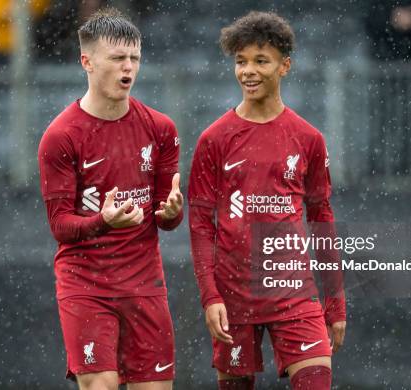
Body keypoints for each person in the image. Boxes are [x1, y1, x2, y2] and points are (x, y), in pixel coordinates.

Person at [188, 11, 346, 390]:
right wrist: (210, 296)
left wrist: (335, 302)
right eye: (241, 62)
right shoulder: (214, 139)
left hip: (294, 294)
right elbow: (199, 225)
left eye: (261, 61)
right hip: (233, 297)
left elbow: (321, 219)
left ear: (284, 66)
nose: (248, 71)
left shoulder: (308, 138)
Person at [37, 8, 183, 390]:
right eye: (117, 58)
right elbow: (60, 227)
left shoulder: (161, 128)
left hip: (145, 285)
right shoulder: (61, 136)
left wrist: (171, 213)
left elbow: (165, 219)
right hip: (87, 286)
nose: (128, 67)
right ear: (86, 61)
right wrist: (103, 221)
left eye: (134, 58)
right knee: (99, 385)